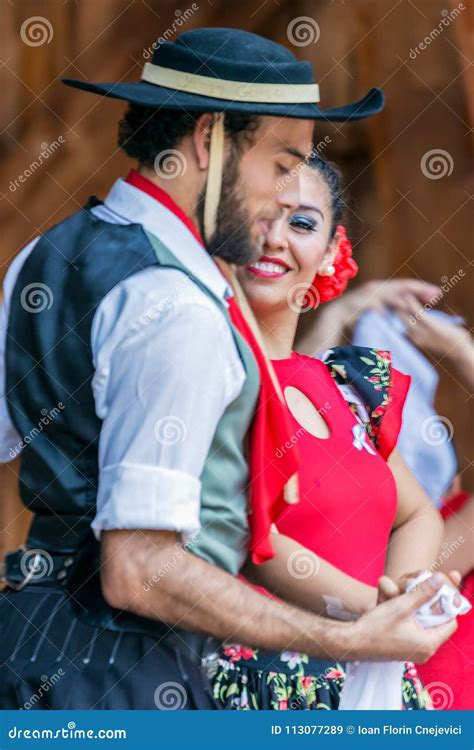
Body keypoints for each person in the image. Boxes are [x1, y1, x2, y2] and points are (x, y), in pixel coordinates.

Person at [0, 28, 457, 710]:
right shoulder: (178, 303)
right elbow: (139, 571)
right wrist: (348, 641)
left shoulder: (43, 255)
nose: (282, 203)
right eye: (281, 164)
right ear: (210, 142)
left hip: (28, 646)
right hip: (122, 674)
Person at [208, 154, 461, 710]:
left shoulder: (345, 387)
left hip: (374, 682)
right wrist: (376, 613)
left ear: (329, 253)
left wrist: (406, 592)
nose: (275, 239)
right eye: (256, 216)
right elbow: (252, 541)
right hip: (257, 687)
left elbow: (416, 513)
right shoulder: (209, 376)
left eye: (301, 223)